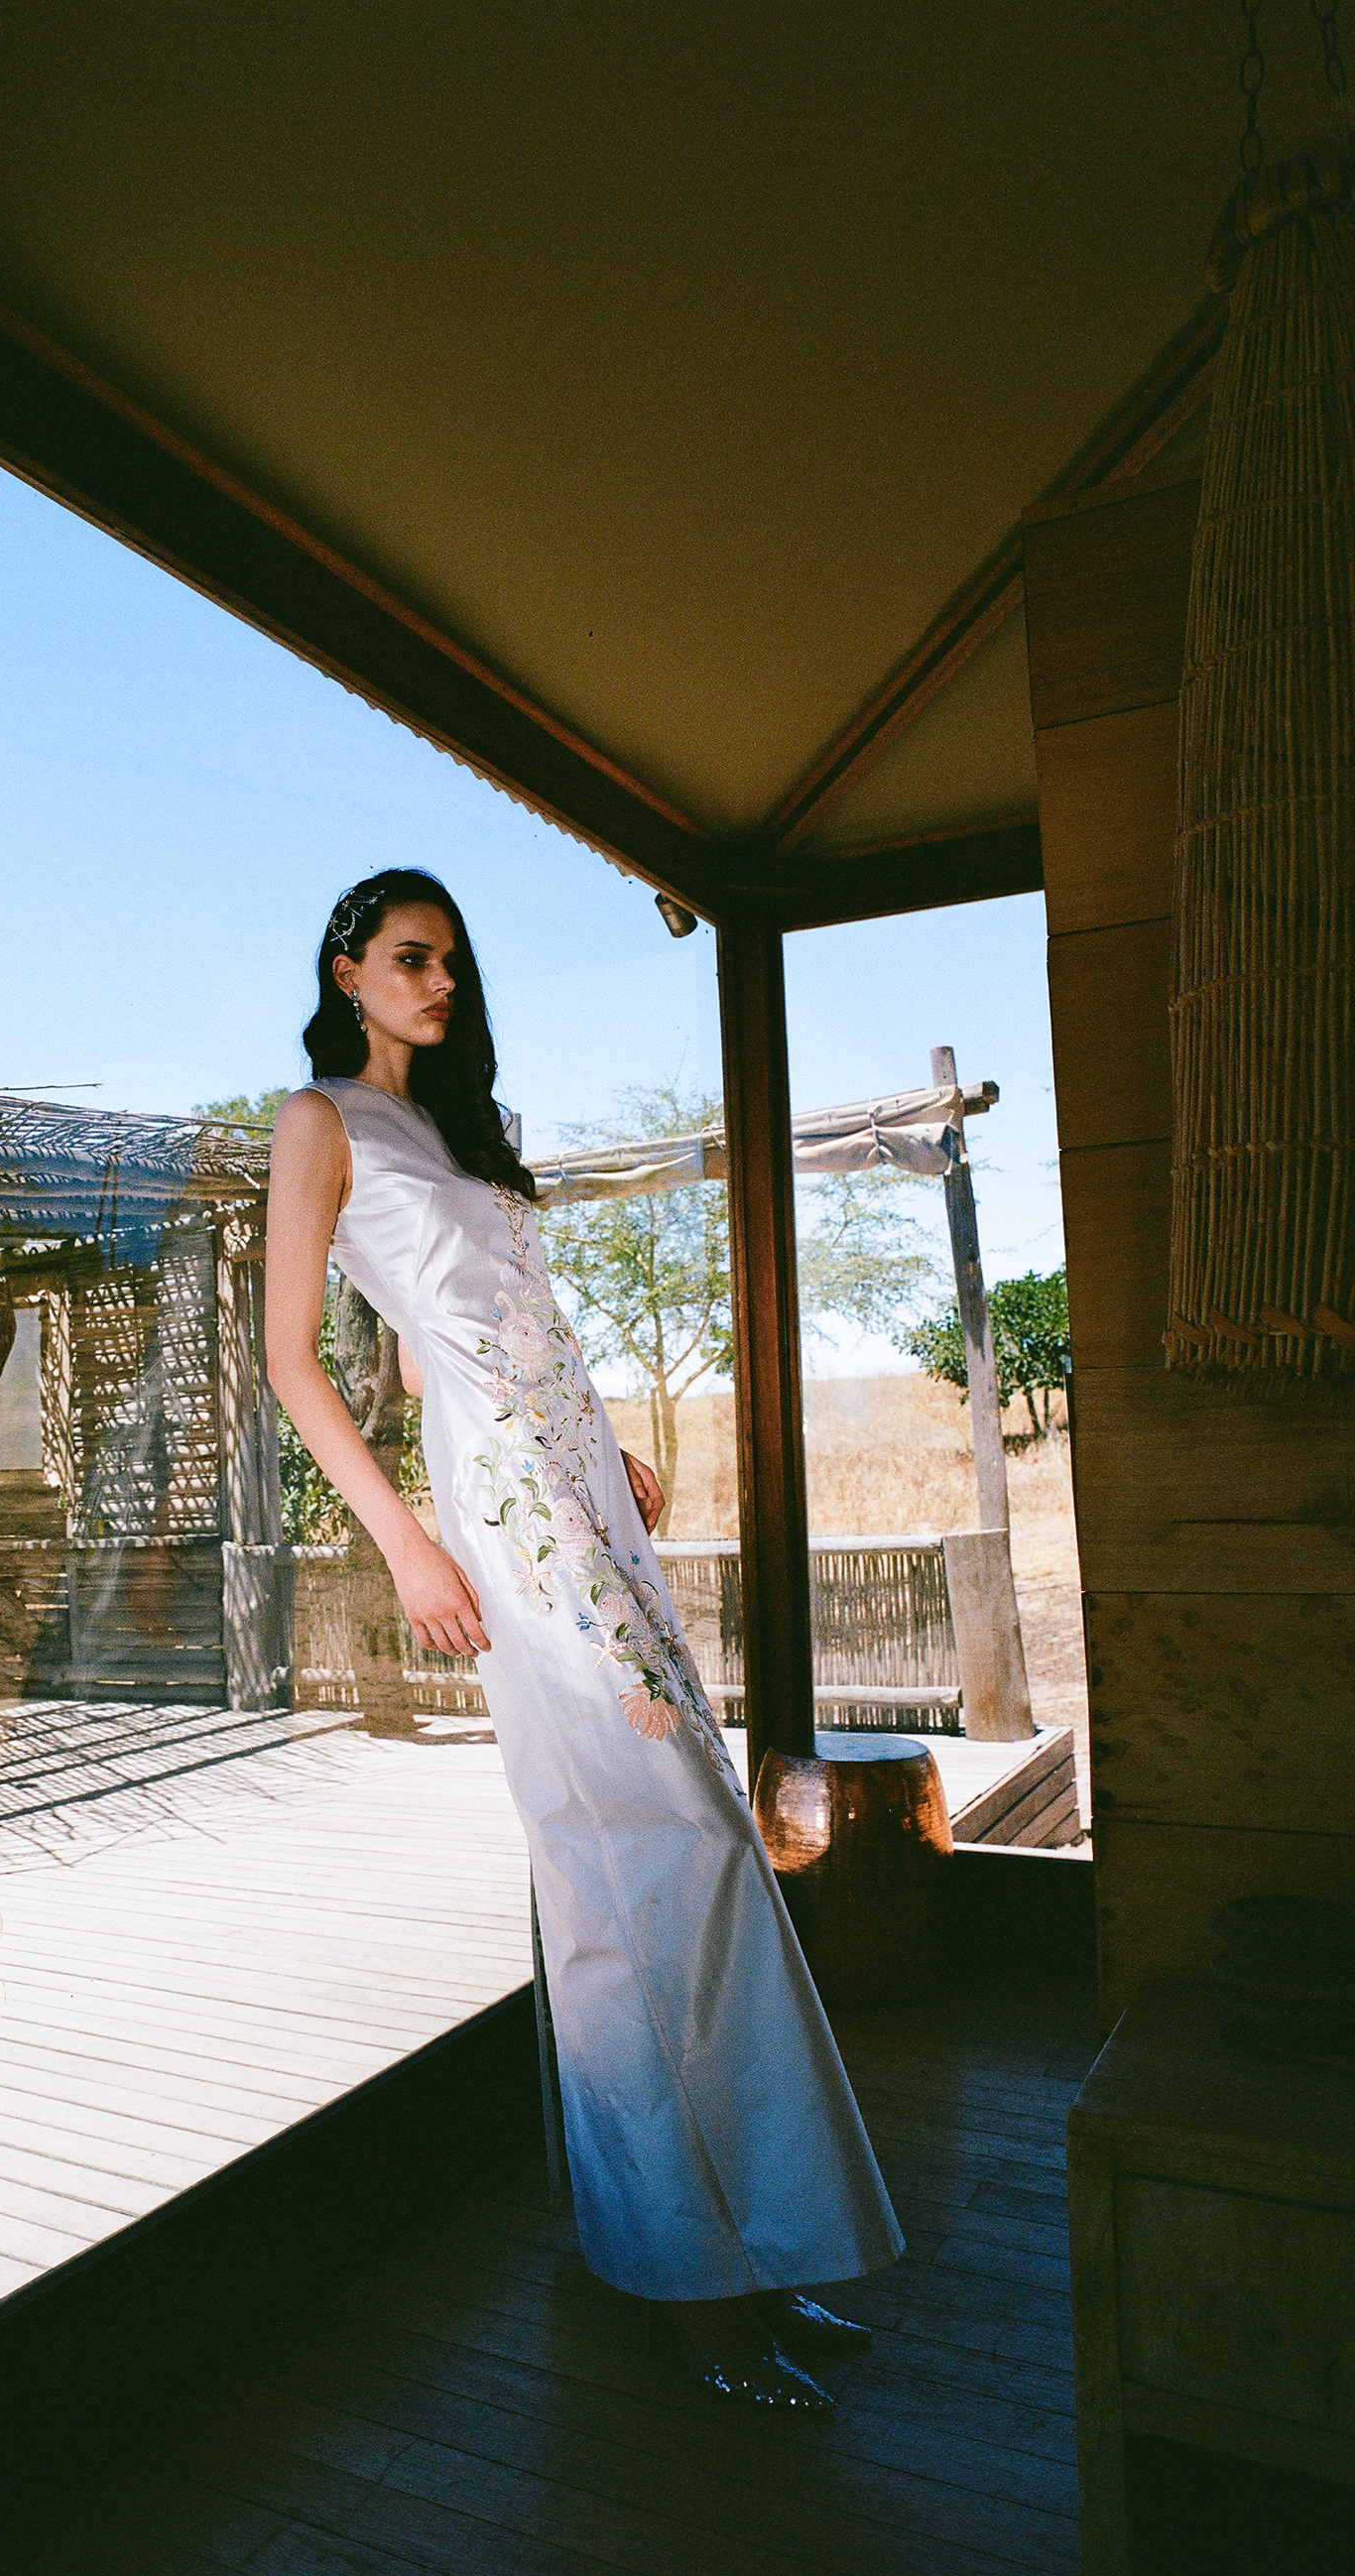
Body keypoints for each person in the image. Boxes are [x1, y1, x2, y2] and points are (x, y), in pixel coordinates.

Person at [265, 868, 903, 2415]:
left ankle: (749, 2245)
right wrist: (408, 1540)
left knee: (703, 1846)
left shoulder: (471, 1128)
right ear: (347, 970)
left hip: (577, 1486)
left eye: (452, 960)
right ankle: (687, 2282)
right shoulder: (317, 1120)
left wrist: (600, 1444)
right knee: (643, 1856)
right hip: (504, 1516)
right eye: (410, 957)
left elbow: (485, 1337)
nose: (439, 980)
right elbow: (292, 1359)